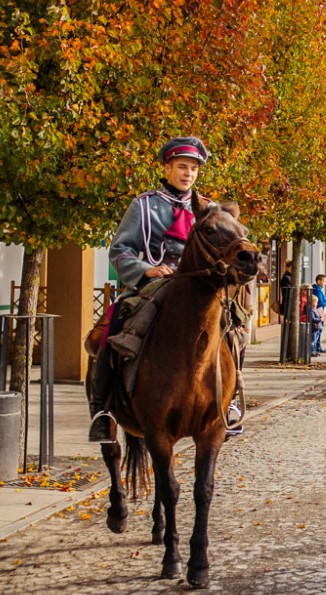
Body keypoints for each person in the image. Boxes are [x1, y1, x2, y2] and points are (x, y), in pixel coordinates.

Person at [90, 136, 248, 442]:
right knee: (113, 324)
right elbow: (120, 250)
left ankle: (229, 402)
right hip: (153, 283)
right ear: (167, 168)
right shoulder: (144, 205)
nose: (188, 173)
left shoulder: (212, 209)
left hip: (201, 286)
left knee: (235, 326)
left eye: (193, 169)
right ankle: (103, 410)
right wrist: (145, 269)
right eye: (182, 167)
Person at [308, 273, 326, 356]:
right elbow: (320, 301)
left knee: (318, 330)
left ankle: (317, 346)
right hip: (320, 311)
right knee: (318, 329)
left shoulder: (318, 289)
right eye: (324, 281)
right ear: (319, 281)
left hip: (320, 310)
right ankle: (317, 346)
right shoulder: (317, 290)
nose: (325, 283)